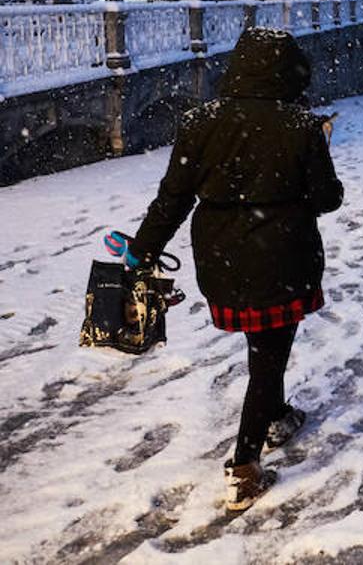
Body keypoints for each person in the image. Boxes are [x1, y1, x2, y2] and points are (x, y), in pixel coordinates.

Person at [118, 28, 343, 513]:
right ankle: (243, 467)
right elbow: (328, 199)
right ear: (286, 72)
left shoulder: (200, 122)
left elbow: (173, 198)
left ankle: (278, 414)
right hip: (281, 256)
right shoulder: (298, 124)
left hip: (222, 258)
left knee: (263, 347)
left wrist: (141, 252)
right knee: (268, 357)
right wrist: (319, 144)